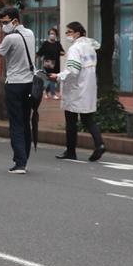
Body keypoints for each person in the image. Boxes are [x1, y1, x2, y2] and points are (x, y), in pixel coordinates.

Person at [0, 6, 37, 175]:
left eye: (6, 22)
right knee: (25, 121)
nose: (4, 26)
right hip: (29, 83)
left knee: (15, 123)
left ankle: (20, 162)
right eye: (2, 23)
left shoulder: (10, 39)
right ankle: (25, 158)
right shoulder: (30, 34)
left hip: (15, 84)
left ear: (15, 20)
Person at [50, 21, 106, 162]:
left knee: (71, 120)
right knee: (88, 119)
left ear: (77, 33)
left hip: (76, 89)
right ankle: (100, 144)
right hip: (89, 87)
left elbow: (73, 70)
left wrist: (58, 76)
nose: (67, 35)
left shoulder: (75, 49)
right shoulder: (90, 47)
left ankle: (70, 151)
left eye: (69, 32)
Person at [37, 27, 65, 100]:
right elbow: (40, 52)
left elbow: (62, 52)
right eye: (50, 34)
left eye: (53, 34)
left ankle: (46, 91)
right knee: (51, 78)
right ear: (49, 35)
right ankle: (53, 94)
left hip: (56, 63)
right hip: (48, 63)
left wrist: (60, 52)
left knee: (54, 79)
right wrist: (34, 57)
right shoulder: (45, 44)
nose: (52, 35)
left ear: (56, 35)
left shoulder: (57, 44)